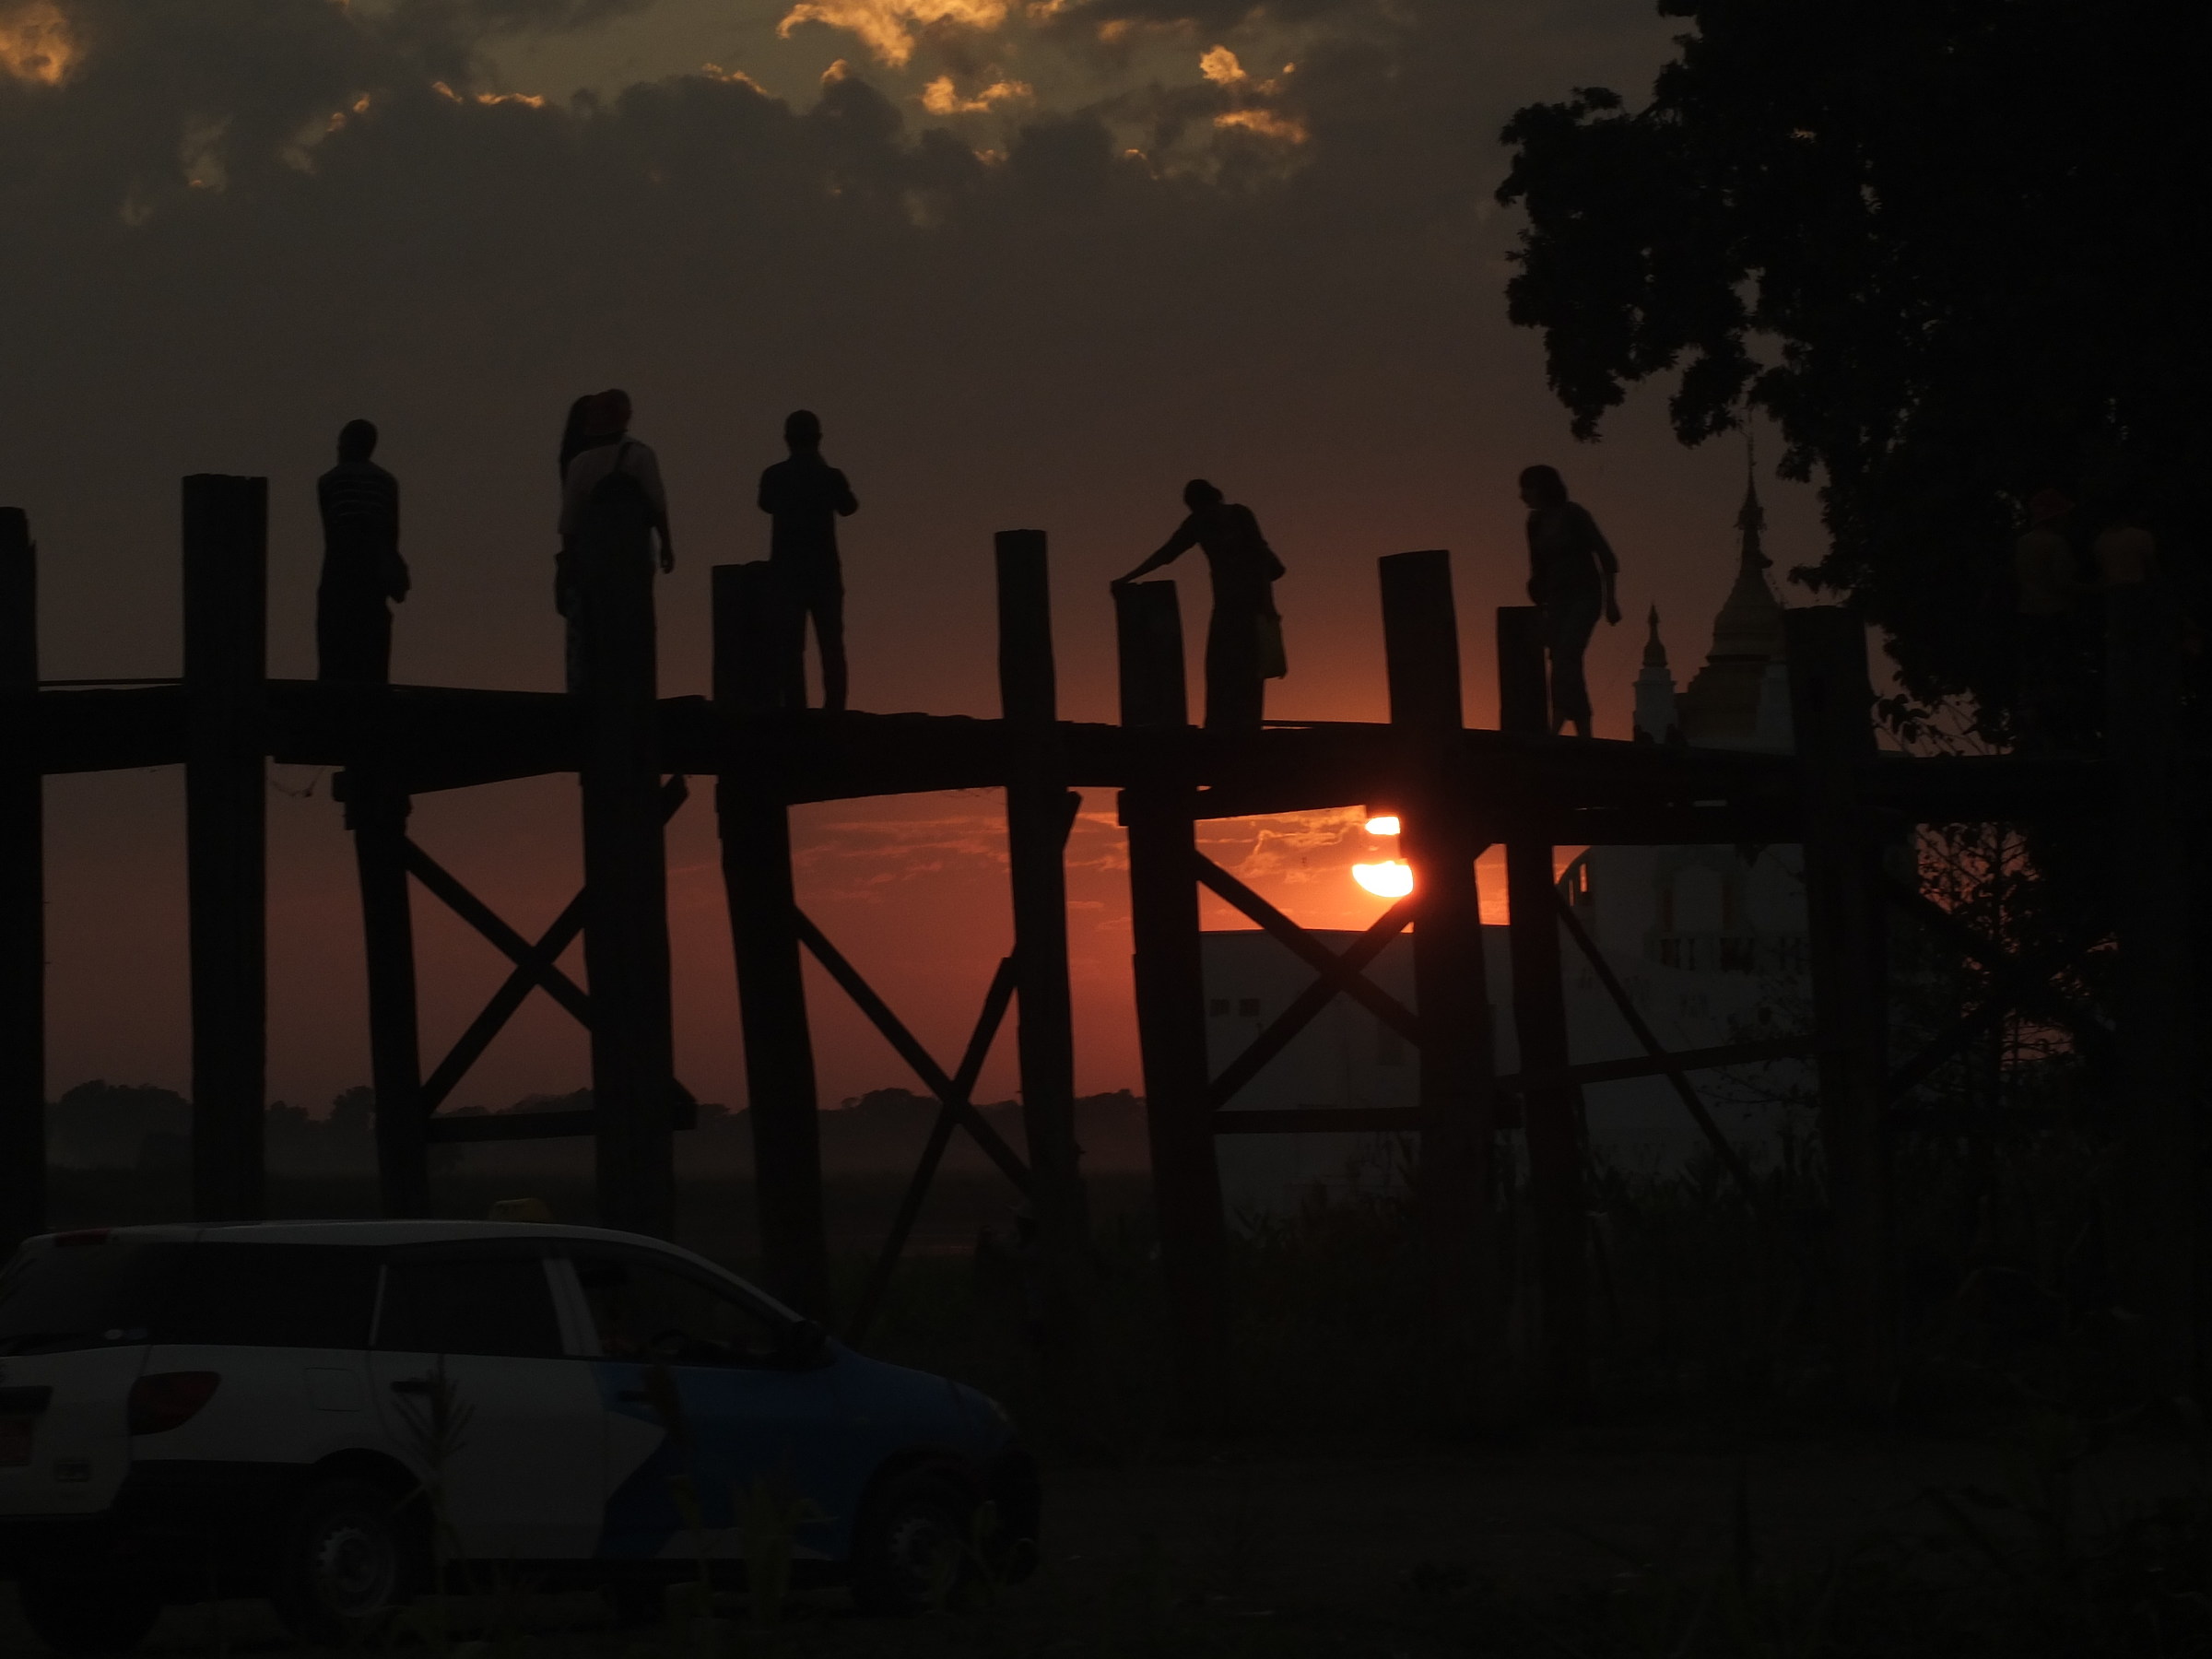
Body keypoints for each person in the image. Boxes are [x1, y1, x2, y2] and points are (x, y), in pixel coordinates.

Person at [1112, 478, 1285, 731]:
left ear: (1213, 500)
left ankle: (1247, 724)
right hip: (1225, 604)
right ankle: (1220, 724)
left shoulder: (1240, 514)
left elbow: (1259, 557)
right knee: (1220, 667)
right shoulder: (1197, 524)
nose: (1205, 514)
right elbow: (1166, 553)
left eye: (1205, 507)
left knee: (1249, 667)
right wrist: (1128, 577)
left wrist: (1268, 604)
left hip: (1252, 603)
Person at [558, 389, 673, 698]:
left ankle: (601, 697)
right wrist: (667, 546)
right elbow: (658, 504)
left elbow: (569, 524)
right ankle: (638, 694)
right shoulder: (640, 455)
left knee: (600, 637)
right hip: (635, 563)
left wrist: (571, 563)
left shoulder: (579, 464)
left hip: (594, 565)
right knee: (638, 634)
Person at [757, 409, 858, 711]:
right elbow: (849, 506)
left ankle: (796, 711)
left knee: (790, 648)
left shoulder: (774, 476)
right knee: (831, 646)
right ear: (819, 439)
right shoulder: (830, 476)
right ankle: (835, 710)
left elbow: (765, 504)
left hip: (786, 573)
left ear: (787, 440)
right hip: (825, 573)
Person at [1519, 464, 1620, 737]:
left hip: (1585, 596)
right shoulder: (1535, 524)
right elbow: (1536, 569)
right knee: (1564, 662)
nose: (1523, 496)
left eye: (1527, 488)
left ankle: (1557, 723)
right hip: (1556, 600)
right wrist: (1541, 610)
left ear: (1542, 488)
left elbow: (1605, 556)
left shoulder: (1574, 515)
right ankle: (1584, 728)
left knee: (1566, 656)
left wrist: (1611, 600)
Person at [315, 418, 407, 683]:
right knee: (372, 645)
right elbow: (392, 531)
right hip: (374, 573)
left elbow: (331, 530)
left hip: (340, 569)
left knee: (335, 640)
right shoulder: (387, 482)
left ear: (345, 443)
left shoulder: (329, 480)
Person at [2013, 488, 2091, 749]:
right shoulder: (2056, 544)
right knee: (2059, 677)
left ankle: (2031, 732)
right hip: (2054, 616)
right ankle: (2059, 734)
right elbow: (2063, 583)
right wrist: (2097, 589)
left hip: (2028, 615)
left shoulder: (2023, 543)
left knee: (2033, 679)